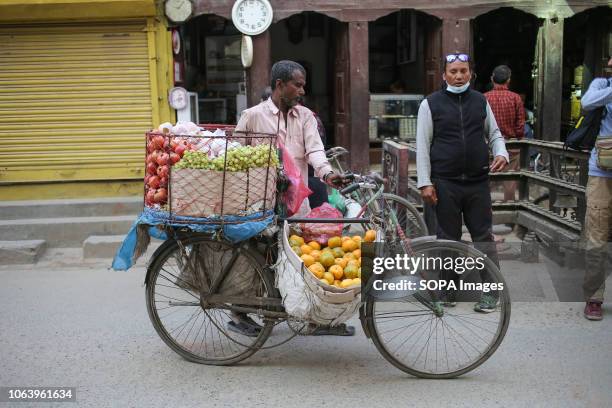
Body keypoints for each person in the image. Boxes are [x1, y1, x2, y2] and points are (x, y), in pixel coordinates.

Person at [233, 60, 354, 336]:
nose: (302, 91)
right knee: (258, 255)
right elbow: (237, 158)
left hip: (298, 203)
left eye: (303, 85)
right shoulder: (253, 116)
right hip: (261, 201)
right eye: (297, 85)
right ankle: (239, 311)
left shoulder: (306, 117)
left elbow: (315, 152)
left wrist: (327, 174)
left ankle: (313, 316)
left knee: (304, 256)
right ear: (280, 85)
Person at [416, 53, 509, 313]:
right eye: (453, 71)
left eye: (463, 71)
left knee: (483, 238)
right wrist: (425, 182)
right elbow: (422, 145)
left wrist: (501, 152)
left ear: (471, 74)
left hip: (478, 182)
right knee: (448, 239)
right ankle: (447, 291)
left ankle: (491, 292)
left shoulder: (480, 101)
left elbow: (494, 133)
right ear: (444, 74)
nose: (458, 76)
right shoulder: (430, 104)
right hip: (445, 183)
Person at [580, 56, 612, 321]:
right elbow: (587, 103)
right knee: (596, 236)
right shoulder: (602, 84)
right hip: (601, 173)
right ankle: (594, 297)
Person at [484, 65, 525, 203]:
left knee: (487, 177)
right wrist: (518, 137)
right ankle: (509, 210)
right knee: (510, 179)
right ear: (508, 80)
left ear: (492, 79)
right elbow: (520, 126)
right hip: (510, 144)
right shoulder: (515, 98)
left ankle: (486, 209)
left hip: (488, 144)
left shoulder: (484, 98)